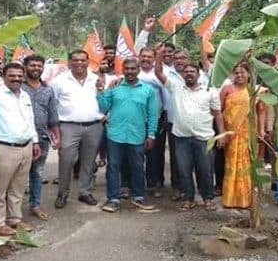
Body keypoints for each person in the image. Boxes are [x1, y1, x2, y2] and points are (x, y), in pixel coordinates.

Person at [155, 49, 225, 211]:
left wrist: (221, 134)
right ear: (183, 75)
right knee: (184, 170)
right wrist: (158, 55)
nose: (189, 74)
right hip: (181, 138)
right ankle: (188, 198)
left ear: (198, 74)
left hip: (205, 138)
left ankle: (207, 198)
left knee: (206, 170)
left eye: (192, 71)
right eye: (186, 72)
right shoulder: (176, 87)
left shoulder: (210, 90)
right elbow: (158, 72)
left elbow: (218, 115)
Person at [0, 63, 40, 236]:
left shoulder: (25, 95)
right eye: (12, 75)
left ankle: (15, 219)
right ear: (4, 76)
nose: (16, 79)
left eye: (20, 76)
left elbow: (30, 120)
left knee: (18, 187)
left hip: (26, 147)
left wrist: (34, 142)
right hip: (3, 148)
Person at [96, 57, 158, 212]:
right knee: (113, 167)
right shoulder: (115, 87)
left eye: (133, 69)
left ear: (138, 70)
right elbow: (104, 108)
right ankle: (113, 199)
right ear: (122, 69)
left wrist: (151, 135)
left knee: (137, 167)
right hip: (115, 134)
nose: (130, 72)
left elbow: (152, 114)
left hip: (137, 135)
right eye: (127, 69)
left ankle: (138, 198)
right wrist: (101, 91)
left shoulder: (148, 90)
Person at [51, 50, 105, 208]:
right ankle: (63, 193)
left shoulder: (96, 80)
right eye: (75, 60)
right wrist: (55, 129)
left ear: (88, 62)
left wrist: (103, 114)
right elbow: (53, 106)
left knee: (88, 161)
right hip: (68, 126)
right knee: (66, 160)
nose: (79, 63)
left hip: (94, 126)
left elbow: (104, 99)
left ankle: (85, 192)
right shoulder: (59, 81)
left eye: (82, 60)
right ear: (69, 62)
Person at [220, 63, 265, 209]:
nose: (239, 75)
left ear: (249, 74)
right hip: (231, 134)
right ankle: (231, 199)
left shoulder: (255, 91)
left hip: (248, 134)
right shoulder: (226, 89)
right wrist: (221, 132)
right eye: (236, 73)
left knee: (247, 164)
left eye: (242, 72)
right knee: (231, 163)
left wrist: (262, 131)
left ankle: (247, 199)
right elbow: (218, 111)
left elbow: (261, 111)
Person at [22, 55, 61, 221]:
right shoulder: (18, 88)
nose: (36, 68)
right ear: (25, 67)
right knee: (18, 174)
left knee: (37, 172)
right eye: (32, 65)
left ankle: (35, 205)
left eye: (39, 65)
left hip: (43, 137)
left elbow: (53, 115)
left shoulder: (48, 89)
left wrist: (57, 135)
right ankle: (12, 211)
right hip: (21, 139)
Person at [137, 43, 169, 197]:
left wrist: (165, 116)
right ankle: (133, 184)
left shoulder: (159, 74)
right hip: (135, 121)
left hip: (155, 119)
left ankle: (152, 184)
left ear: (154, 59)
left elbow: (166, 97)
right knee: (135, 153)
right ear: (139, 57)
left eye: (149, 57)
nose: (146, 59)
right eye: (143, 56)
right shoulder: (132, 73)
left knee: (154, 154)